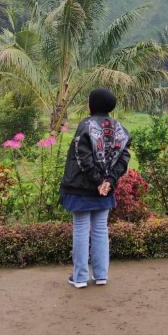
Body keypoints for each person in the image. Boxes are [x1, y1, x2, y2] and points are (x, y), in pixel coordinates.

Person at [60, 88, 131, 288]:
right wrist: (109, 181)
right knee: (100, 229)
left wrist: (98, 181)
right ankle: (101, 275)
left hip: (82, 187)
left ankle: (80, 277)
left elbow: (83, 158)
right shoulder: (120, 129)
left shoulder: (86, 125)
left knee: (81, 229)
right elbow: (124, 158)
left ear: (92, 105)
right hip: (105, 188)